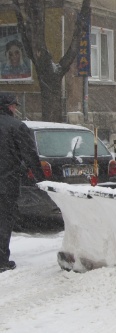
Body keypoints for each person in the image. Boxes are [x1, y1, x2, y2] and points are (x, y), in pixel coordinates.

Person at [0, 93, 44, 273]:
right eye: (14, 106)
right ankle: (2, 260)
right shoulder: (17, 127)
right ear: (9, 107)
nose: (16, 109)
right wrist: (43, 180)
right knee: (4, 220)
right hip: (6, 183)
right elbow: (30, 156)